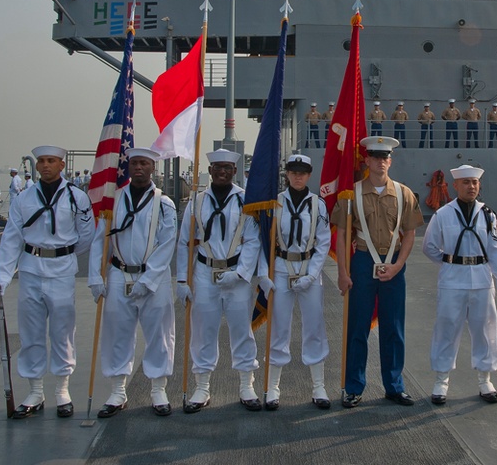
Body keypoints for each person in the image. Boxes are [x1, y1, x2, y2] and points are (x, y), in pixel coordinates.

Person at [0, 145, 95, 419]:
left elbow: (87, 234)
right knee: (31, 332)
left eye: (51, 161)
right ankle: (35, 391)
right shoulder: (23, 199)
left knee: (63, 331)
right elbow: (11, 239)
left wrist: (64, 253)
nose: (46, 165)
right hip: (30, 270)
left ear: (62, 165)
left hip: (62, 270)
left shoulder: (77, 197)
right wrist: (2, 278)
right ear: (36, 166)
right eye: (41, 161)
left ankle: (62, 391)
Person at [332, 136, 424, 408]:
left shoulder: (404, 193)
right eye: (376, 157)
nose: (381, 162)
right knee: (357, 326)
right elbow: (341, 235)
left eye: (385, 158)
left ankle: (394, 386)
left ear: (390, 162)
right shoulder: (351, 194)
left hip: (393, 264)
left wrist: (398, 265)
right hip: (361, 263)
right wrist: (342, 272)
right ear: (367, 161)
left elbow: (410, 234)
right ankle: (353, 387)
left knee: (394, 328)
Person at [88, 147, 177, 417]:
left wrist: (148, 279)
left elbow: (167, 243)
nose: (139, 167)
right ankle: (117, 390)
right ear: (128, 167)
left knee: (159, 334)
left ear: (153, 168)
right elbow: (99, 240)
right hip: (119, 273)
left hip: (154, 278)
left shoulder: (164, 203)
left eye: (144, 164)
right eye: (135, 163)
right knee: (117, 332)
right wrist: (95, 275)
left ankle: (158, 389)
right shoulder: (113, 200)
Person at [176, 149, 263, 413]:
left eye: (227, 167)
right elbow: (185, 242)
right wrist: (182, 279)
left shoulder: (245, 200)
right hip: (205, 273)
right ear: (210, 170)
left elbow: (252, 240)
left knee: (242, 331)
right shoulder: (197, 201)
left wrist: (240, 273)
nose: (222, 172)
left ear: (234, 171)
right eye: (217, 168)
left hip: (236, 274)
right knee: (203, 330)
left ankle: (246, 384)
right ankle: (202, 386)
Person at [422, 164, 497, 405]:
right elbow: (429, 246)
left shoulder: (488, 215)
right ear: (455, 186)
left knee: (485, 330)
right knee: (446, 328)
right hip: (453, 279)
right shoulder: (442, 214)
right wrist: (449, 262)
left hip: (482, 278)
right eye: (466, 182)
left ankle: (485, 380)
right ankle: (441, 381)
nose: (471, 186)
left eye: (474, 182)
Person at [256, 154, 332, 411]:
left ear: (309, 174)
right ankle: (273, 387)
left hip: (308, 268)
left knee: (314, 327)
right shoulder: (275, 203)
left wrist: (312, 274)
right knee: (279, 328)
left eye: (303, 172)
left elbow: (323, 241)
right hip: (280, 267)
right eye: (293, 171)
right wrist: (262, 274)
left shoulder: (317, 205)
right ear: (286, 174)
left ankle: (319, 386)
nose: (298, 176)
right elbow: (263, 241)